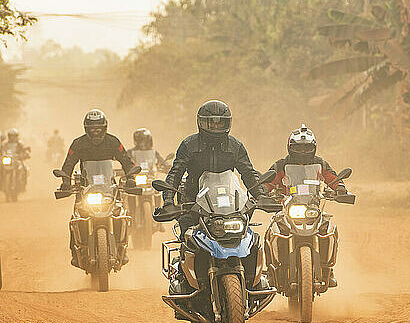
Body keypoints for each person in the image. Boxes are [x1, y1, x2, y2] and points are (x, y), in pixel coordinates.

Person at [157, 99, 267, 296]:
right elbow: (175, 173)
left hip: (230, 204)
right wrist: (168, 201)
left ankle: (255, 279)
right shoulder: (189, 145)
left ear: (228, 124)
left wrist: (261, 195)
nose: (216, 127)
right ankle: (183, 278)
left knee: (249, 236)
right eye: (211, 122)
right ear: (201, 123)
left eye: (220, 123)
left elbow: (248, 173)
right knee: (185, 230)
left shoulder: (235, 146)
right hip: (194, 203)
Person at [265, 123, 347, 287]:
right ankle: (271, 272)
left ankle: (328, 270)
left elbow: (332, 177)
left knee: (329, 228)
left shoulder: (320, 164)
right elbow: (268, 181)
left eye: (306, 148)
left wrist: (340, 188)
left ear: (313, 147)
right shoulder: (281, 165)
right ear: (290, 147)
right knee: (271, 232)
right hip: (287, 208)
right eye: (299, 148)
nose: (302, 152)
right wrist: (262, 192)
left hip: (313, 207)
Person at [60, 109, 135, 266]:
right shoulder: (78, 144)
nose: (95, 131)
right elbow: (68, 163)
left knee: (121, 214)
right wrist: (65, 181)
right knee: (76, 218)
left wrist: (131, 178)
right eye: (92, 128)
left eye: (98, 128)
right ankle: (75, 252)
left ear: (104, 127)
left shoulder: (113, 142)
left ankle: (123, 249)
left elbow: (126, 160)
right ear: (86, 128)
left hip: (110, 188)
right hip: (85, 188)